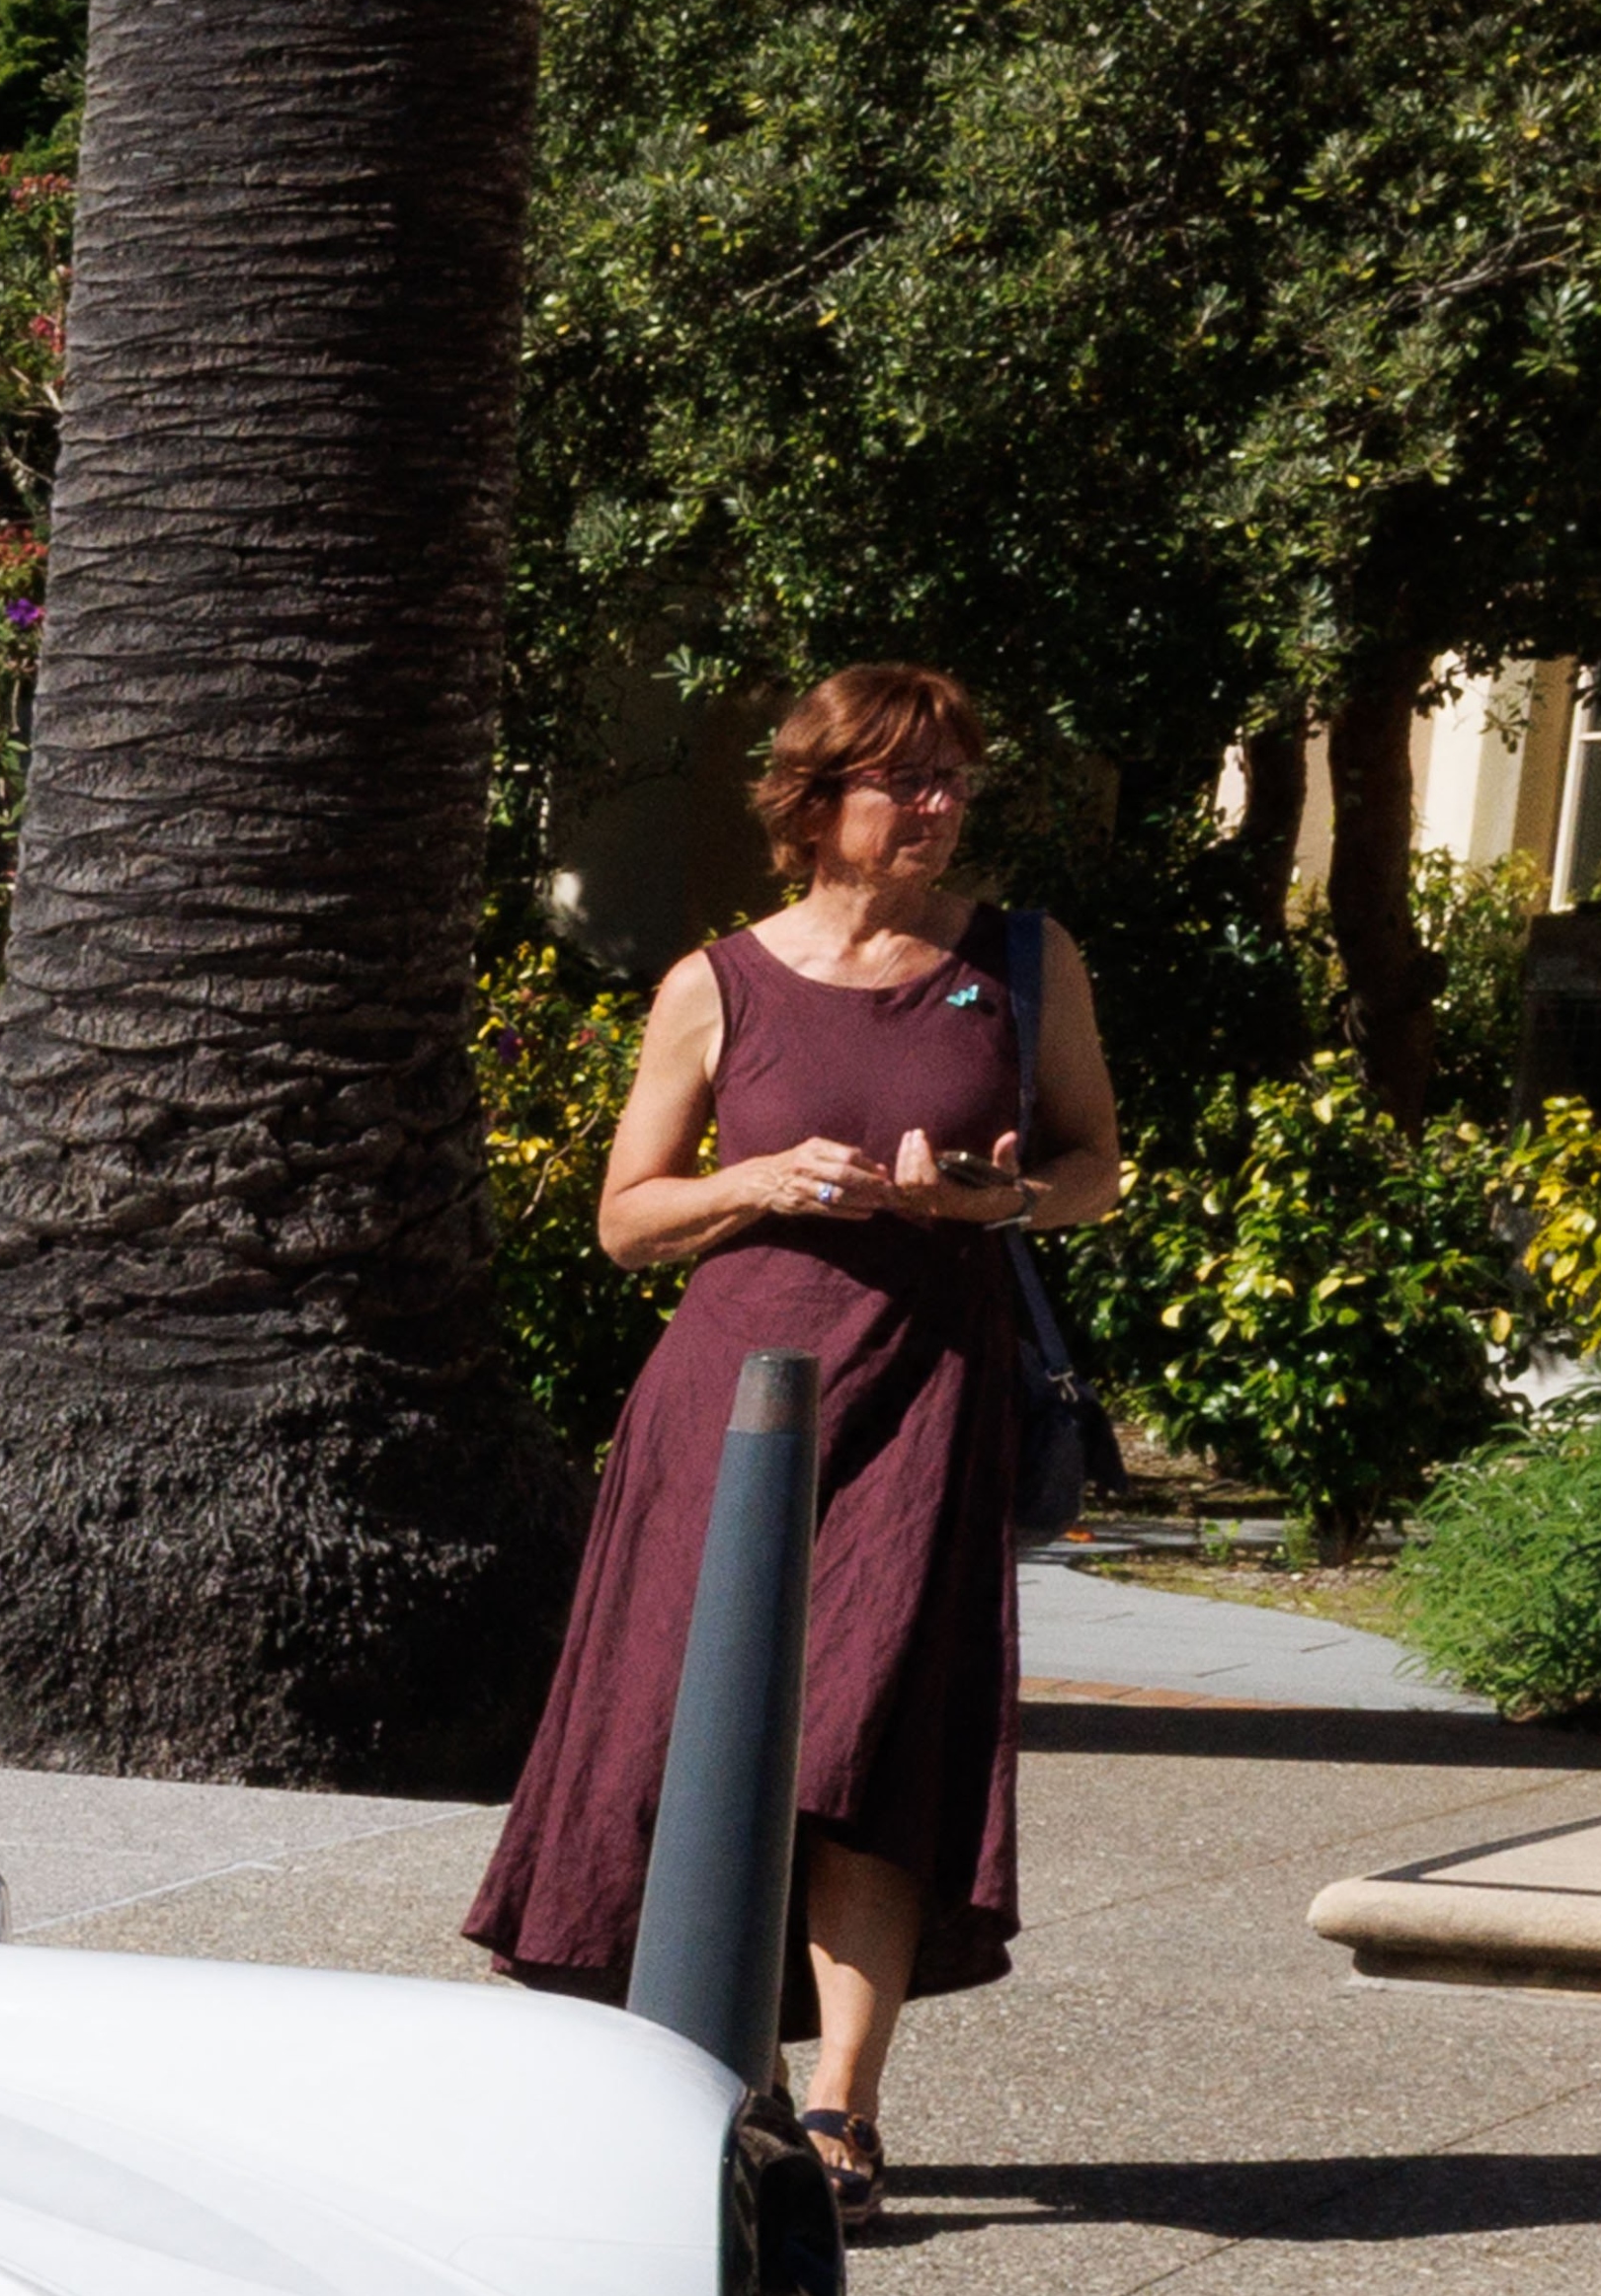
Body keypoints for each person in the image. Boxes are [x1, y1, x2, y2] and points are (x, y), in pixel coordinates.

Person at [464, 660, 1121, 2217]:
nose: (940, 804)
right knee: (680, 1735)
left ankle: (838, 2108)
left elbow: (1094, 1166)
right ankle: (674, 2072)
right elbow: (629, 1221)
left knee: (873, 1743)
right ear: (815, 802)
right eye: (907, 779)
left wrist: (1000, 1201)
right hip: (732, 1412)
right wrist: (756, 1184)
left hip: (927, 1404)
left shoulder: (1021, 963)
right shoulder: (717, 983)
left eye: (957, 774)